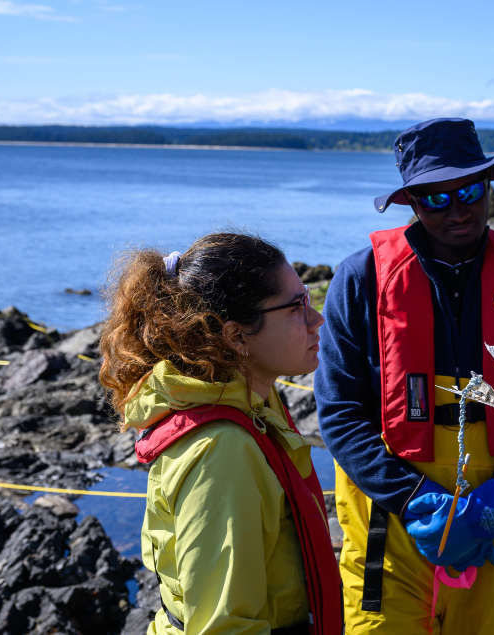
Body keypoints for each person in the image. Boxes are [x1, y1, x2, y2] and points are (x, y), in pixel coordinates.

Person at [314, 117, 494, 633]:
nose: (458, 209)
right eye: (436, 198)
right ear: (411, 202)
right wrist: (412, 499)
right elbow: (340, 415)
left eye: (470, 190)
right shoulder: (359, 281)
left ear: (489, 186)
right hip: (390, 514)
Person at [98, 232, 343, 635]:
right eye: (297, 306)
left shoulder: (253, 402)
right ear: (236, 336)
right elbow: (222, 625)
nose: (317, 319)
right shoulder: (221, 451)